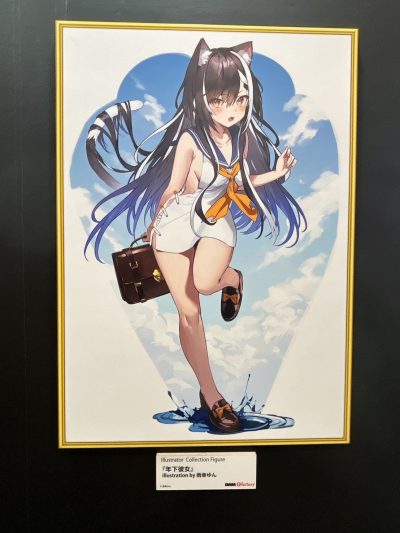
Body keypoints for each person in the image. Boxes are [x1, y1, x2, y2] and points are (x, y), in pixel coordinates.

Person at [85, 38, 306, 433]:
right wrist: (154, 224)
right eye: (220, 100)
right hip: (177, 222)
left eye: (239, 99)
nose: (231, 109)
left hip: (216, 219)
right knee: (189, 314)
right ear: (203, 97)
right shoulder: (190, 139)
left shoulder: (242, 139)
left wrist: (277, 174)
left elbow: (242, 180)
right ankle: (213, 395)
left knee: (205, 284)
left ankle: (231, 279)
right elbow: (172, 188)